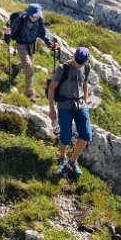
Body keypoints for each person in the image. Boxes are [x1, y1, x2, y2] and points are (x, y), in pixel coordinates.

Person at [47, 46, 92, 177]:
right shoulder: (62, 69)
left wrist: (86, 102)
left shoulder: (86, 67)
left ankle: (73, 161)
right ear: (74, 56)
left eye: (81, 62)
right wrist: (51, 110)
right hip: (65, 106)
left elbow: (85, 85)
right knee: (65, 136)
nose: (79, 64)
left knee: (86, 135)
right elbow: (51, 88)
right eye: (78, 61)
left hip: (81, 106)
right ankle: (62, 157)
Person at [3, 3, 55, 100]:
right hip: (21, 44)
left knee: (27, 64)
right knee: (29, 66)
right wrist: (7, 35)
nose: (34, 17)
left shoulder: (40, 20)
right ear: (28, 13)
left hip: (32, 45)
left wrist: (50, 44)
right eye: (32, 15)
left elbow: (42, 34)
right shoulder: (20, 20)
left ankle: (16, 67)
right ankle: (30, 93)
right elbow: (10, 35)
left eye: (36, 15)